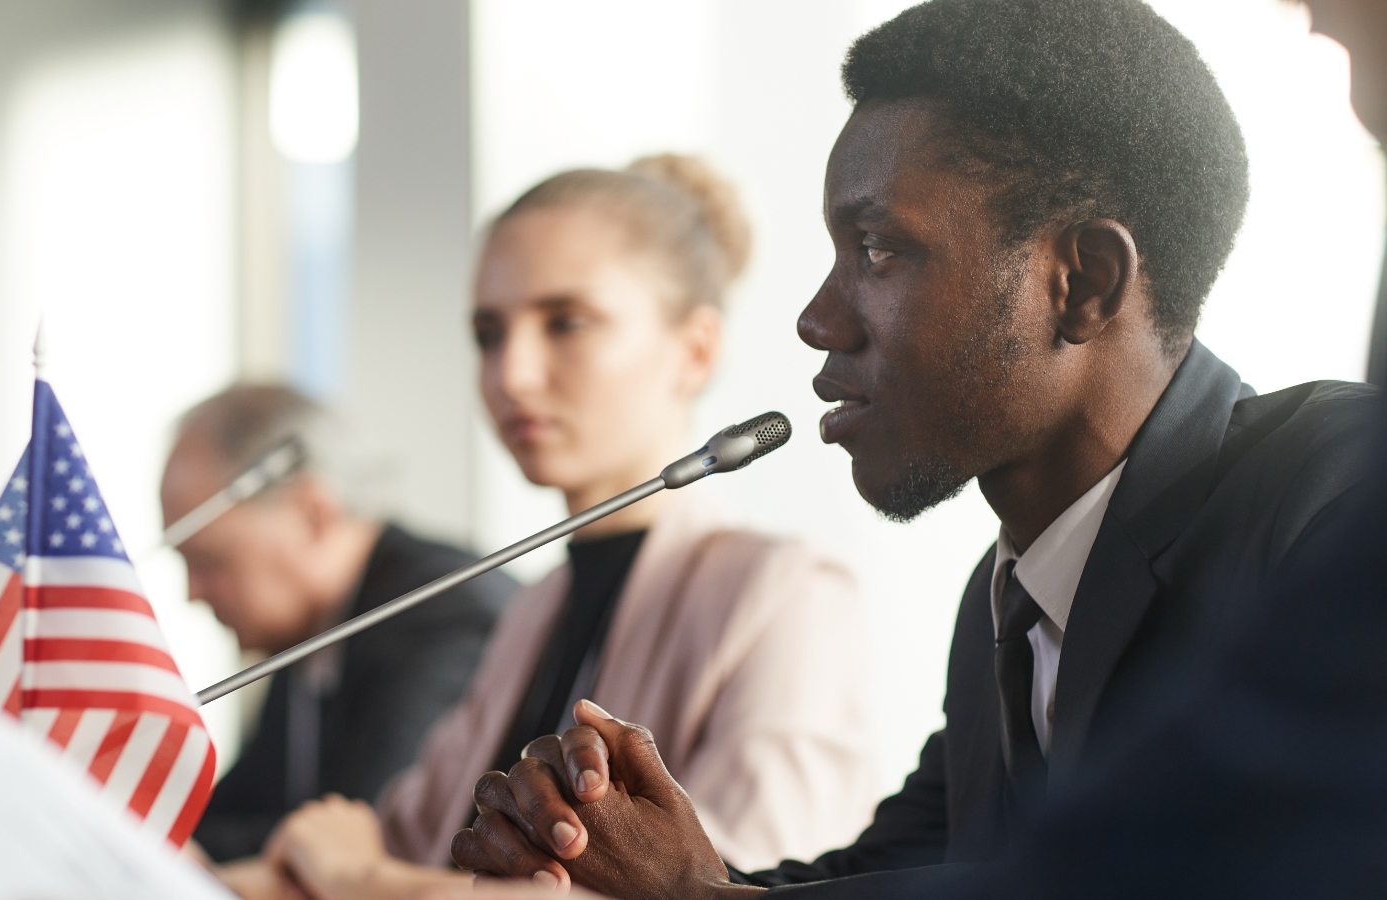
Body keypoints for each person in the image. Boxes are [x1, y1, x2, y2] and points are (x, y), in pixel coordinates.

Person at [447, 0, 1381, 896]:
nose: (817, 319)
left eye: (879, 248)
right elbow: (885, 877)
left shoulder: (1334, 498)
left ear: (1085, 281)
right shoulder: (1003, 607)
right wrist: (604, 859)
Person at [256, 156, 877, 899]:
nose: (512, 373)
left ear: (697, 349)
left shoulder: (788, 593)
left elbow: (728, 891)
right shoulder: (535, 607)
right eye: (489, 333)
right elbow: (406, 844)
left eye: (566, 322)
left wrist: (361, 877)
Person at [159, 386, 516, 875]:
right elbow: (245, 808)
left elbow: (365, 835)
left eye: (209, 562)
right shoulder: (309, 629)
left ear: (313, 515)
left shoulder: (443, 617)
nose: (192, 592)